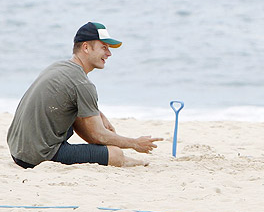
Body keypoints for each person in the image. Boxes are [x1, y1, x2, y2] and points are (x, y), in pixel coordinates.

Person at [7, 22, 162, 168]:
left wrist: (99, 115)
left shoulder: (59, 67)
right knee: (115, 153)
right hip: (37, 156)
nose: (109, 54)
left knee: (82, 118)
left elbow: (74, 103)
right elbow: (98, 135)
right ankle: (134, 161)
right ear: (86, 48)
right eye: (104, 47)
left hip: (17, 150)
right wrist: (135, 143)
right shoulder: (83, 84)